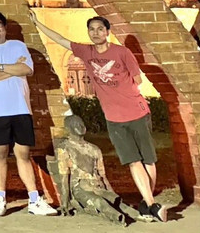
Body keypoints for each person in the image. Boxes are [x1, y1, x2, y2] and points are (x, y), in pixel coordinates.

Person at [35, 15, 166, 222]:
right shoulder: (86, 52)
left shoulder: (122, 52)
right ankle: (150, 204)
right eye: (92, 29)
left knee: (147, 159)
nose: (96, 33)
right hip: (114, 118)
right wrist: (37, 22)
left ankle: (147, 202)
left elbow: (138, 79)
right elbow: (61, 40)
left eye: (100, 29)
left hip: (137, 113)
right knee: (133, 160)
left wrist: (125, 95)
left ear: (107, 32)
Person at [0, 10, 58, 217]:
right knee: (0, 155)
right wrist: (12, 69)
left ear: (4, 27)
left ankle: (34, 199)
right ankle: (0, 198)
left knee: (24, 155)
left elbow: (27, 70)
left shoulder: (18, 46)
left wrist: (0, 67)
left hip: (20, 108)